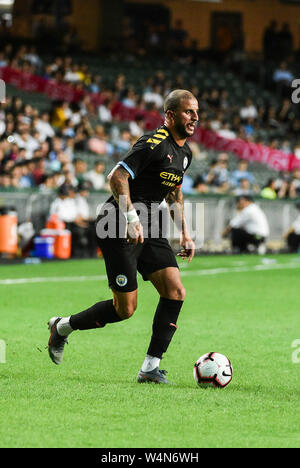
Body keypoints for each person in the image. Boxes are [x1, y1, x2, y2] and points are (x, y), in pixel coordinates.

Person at [47, 89, 198, 384]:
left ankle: (150, 368)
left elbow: (174, 192)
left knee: (175, 291)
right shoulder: (152, 143)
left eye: (196, 112)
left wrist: (185, 233)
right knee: (125, 309)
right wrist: (131, 219)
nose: (195, 117)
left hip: (150, 225)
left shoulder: (185, 154)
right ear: (170, 115)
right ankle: (62, 327)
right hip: (117, 224)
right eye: (188, 112)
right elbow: (117, 176)